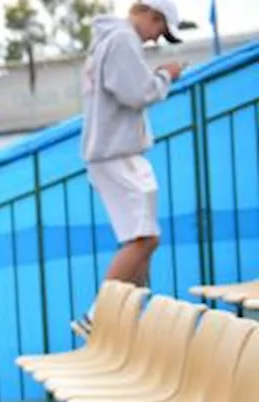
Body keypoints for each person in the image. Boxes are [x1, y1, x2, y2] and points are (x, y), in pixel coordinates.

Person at [77, 0, 184, 333]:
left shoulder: (111, 40)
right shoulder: (122, 39)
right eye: (159, 30)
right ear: (152, 16)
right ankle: (99, 318)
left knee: (141, 239)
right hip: (115, 153)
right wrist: (166, 74)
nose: (155, 40)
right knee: (144, 239)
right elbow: (137, 93)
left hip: (113, 152)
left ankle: (125, 318)